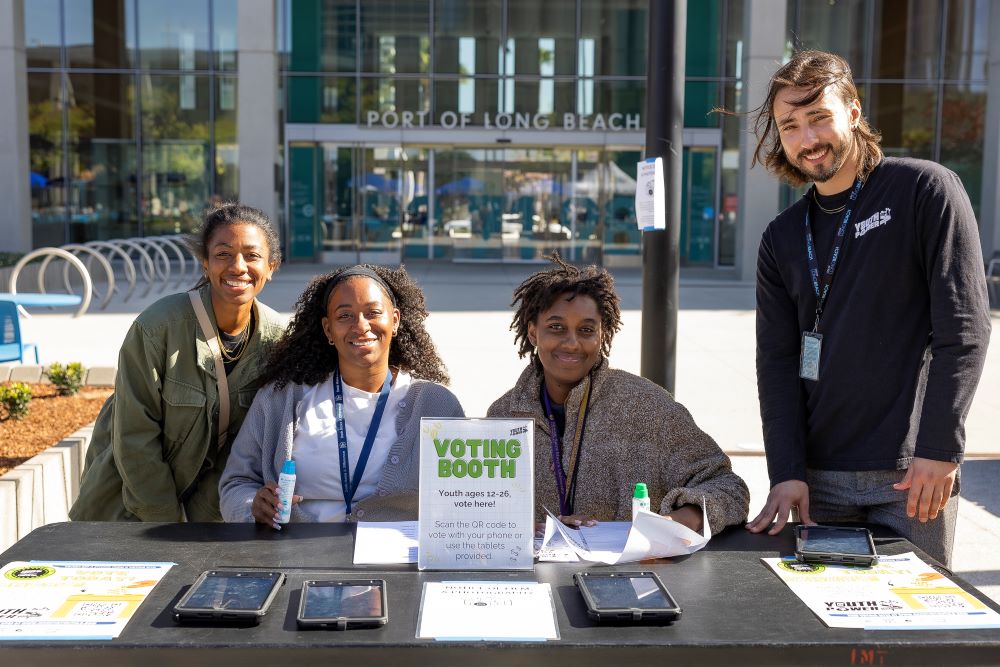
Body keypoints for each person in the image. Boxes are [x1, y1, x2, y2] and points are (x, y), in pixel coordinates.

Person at [744, 50, 991, 567]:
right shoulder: (781, 238)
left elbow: (963, 330)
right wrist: (786, 470)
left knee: (911, 637)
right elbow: (777, 364)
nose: (808, 139)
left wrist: (941, 450)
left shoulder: (925, 190)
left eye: (819, 117)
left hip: (910, 476)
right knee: (825, 637)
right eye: (790, 126)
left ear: (853, 111)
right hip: (818, 483)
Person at [487, 255, 749, 534]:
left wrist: (676, 522)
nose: (572, 343)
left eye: (586, 330)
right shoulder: (502, 416)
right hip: (538, 575)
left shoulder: (649, 408)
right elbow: (472, 514)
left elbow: (730, 489)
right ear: (532, 332)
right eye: (556, 327)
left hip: (629, 573)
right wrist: (521, 528)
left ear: (602, 335)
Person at [69, 203, 285, 521]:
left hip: (208, 516)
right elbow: (133, 436)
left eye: (252, 255)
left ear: (271, 266)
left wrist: (200, 522)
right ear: (205, 263)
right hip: (129, 509)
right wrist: (167, 522)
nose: (238, 266)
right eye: (223, 254)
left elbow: (245, 449)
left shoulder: (277, 340)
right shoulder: (157, 327)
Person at [219, 265, 464, 525]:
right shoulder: (283, 398)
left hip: (393, 560)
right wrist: (253, 507)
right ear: (328, 329)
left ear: (395, 320)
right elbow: (236, 484)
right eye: (345, 316)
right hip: (299, 558)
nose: (360, 326)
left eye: (373, 313)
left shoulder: (435, 404)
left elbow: (464, 497)